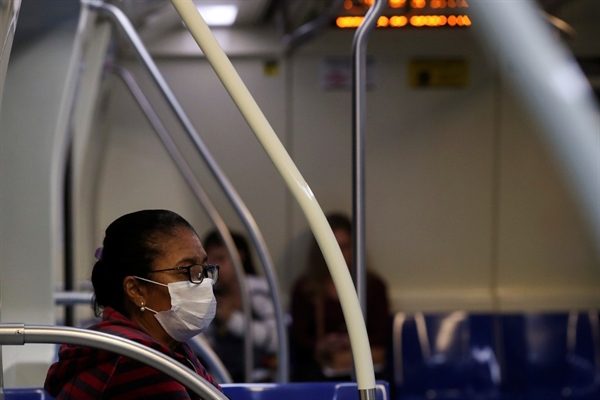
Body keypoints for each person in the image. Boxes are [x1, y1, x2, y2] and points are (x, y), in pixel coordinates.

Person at [44, 209, 223, 399]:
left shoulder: (165, 348)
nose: (203, 281)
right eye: (185, 270)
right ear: (136, 290)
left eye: (203, 269)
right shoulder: (140, 364)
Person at [289, 212, 390, 382]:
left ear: (355, 247)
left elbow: (382, 333)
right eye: (332, 247)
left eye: (344, 247)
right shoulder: (305, 288)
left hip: (363, 365)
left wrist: (351, 341)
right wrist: (324, 344)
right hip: (320, 367)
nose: (339, 255)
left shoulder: (373, 286)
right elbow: (299, 337)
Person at [202, 230, 277, 382]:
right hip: (221, 379)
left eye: (221, 259)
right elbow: (204, 345)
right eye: (209, 262)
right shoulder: (208, 294)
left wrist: (232, 320)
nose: (214, 268)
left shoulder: (259, 290)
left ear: (240, 257)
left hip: (259, 378)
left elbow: (275, 341)